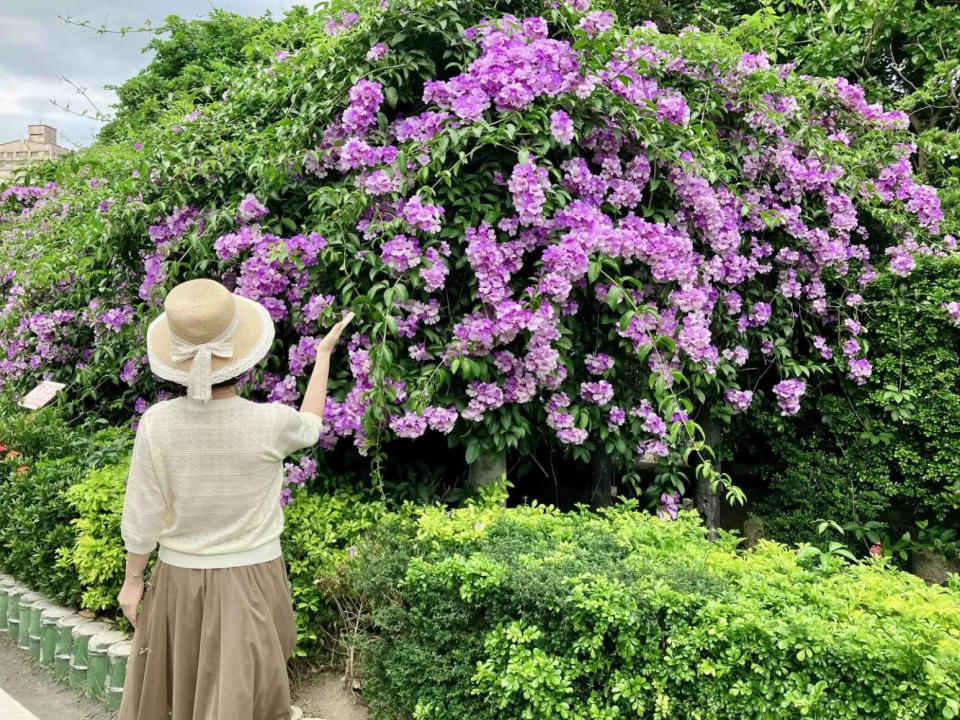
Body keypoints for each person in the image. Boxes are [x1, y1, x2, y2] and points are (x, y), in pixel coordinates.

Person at [115, 277, 354, 720]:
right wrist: (322, 356)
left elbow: (142, 511)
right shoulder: (270, 422)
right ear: (244, 357)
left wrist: (133, 581)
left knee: (180, 698)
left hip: (177, 584)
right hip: (255, 580)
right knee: (244, 700)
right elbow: (312, 422)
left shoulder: (157, 423)